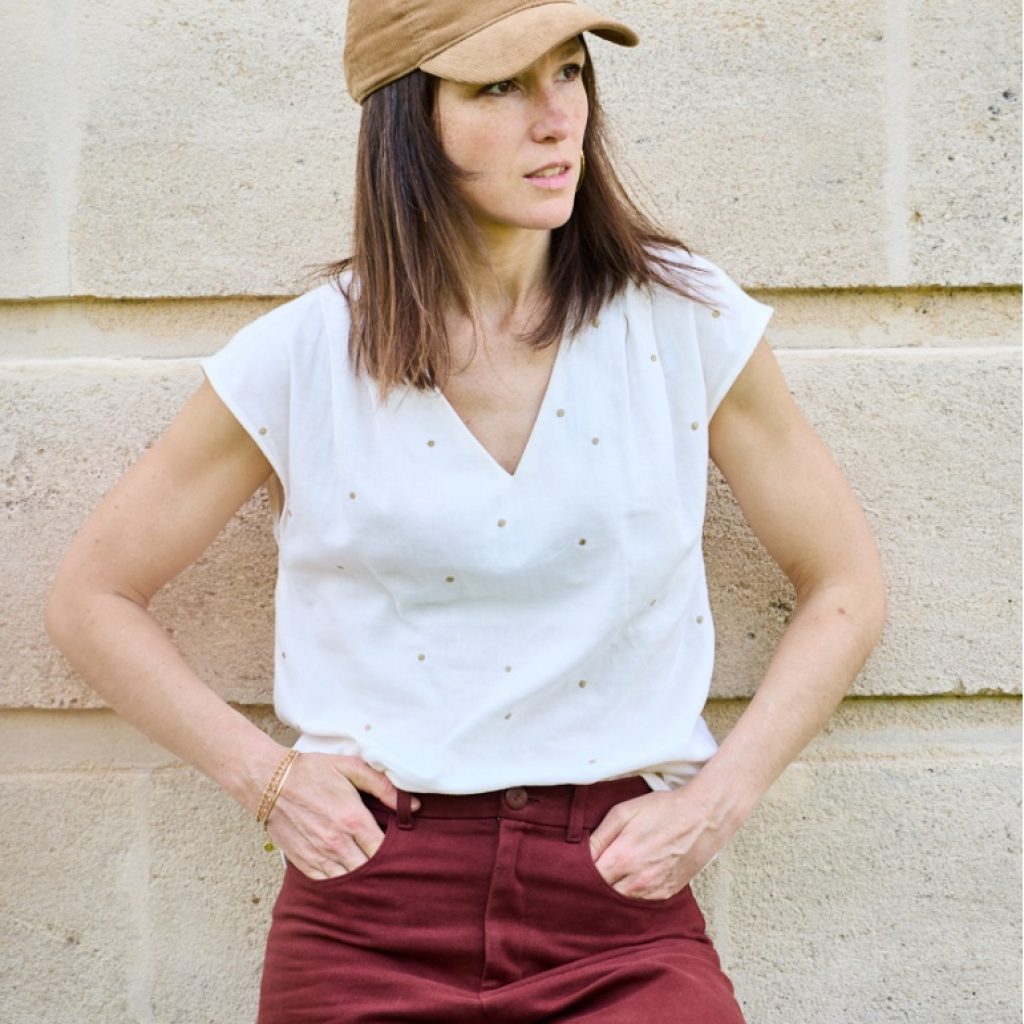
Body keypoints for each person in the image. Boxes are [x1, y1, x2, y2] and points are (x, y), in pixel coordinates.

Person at [45, 1, 887, 1021]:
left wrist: (717, 801)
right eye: (499, 85)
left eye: (568, 71)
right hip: (369, 913)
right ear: (410, 119)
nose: (556, 117)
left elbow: (845, 584)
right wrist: (265, 778)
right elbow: (92, 597)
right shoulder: (304, 356)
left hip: (616, 908)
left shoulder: (682, 322)